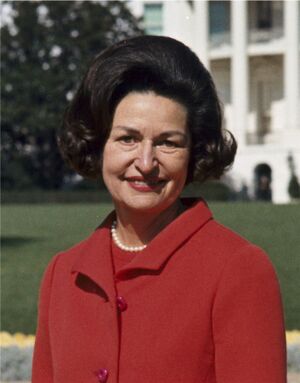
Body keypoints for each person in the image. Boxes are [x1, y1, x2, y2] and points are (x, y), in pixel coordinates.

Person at [32, 36, 286, 383]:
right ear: (98, 144)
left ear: (194, 152)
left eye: (168, 142)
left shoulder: (238, 269)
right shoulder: (62, 275)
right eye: (128, 139)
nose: (146, 162)